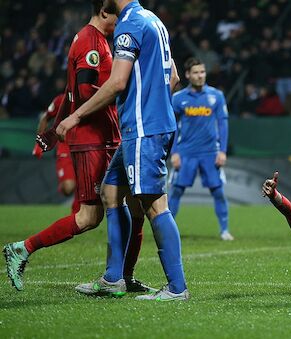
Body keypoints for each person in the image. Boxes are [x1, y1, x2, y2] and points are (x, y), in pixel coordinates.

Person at [3, 0, 150, 294]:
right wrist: (119, 91)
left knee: (134, 206)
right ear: (104, 12)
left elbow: (69, 93)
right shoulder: (89, 41)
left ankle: (124, 276)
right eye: (116, 18)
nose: (120, 24)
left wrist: (55, 129)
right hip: (92, 141)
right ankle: (22, 248)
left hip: (107, 136)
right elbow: (83, 91)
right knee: (89, 216)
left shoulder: (99, 40)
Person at [56, 0, 188, 301]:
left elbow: (117, 83)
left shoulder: (128, 25)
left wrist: (75, 116)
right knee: (111, 191)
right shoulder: (153, 19)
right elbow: (175, 77)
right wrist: (156, 106)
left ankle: (177, 287)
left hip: (143, 129)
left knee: (155, 204)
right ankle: (113, 279)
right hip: (146, 126)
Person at [169, 57, 233, 241]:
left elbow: (223, 125)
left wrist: (222, 151)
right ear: (188, 75)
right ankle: (168, 231)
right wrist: (174, 152)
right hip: (186, 152)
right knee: (176, 190)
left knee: (218, 191)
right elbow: (172, 127)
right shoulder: (178, 98)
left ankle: (224, 230)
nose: (200, 76)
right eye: (196, 72)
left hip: (210, 153)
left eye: (202, 72)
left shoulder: (216, 96)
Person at [32, 93, 79, 214]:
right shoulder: (60, 100)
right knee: (68, 188)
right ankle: (64, 185)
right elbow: (45, 118)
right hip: (65, 147)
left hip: (83, 145)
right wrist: (39, 144)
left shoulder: (89, 96)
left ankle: (76, 213)